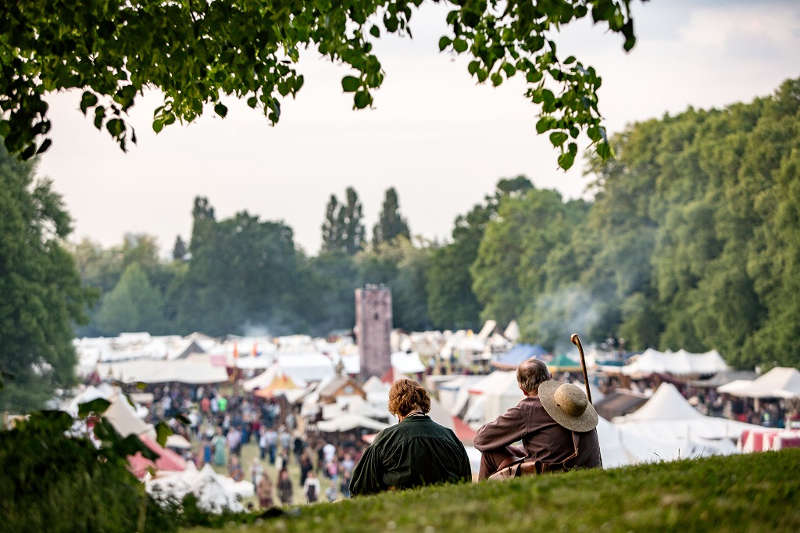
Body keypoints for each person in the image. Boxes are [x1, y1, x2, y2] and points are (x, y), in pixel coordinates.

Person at [474, 358, 602, 480]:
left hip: (552, 474)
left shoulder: (529, 407)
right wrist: (516, 449)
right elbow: (555, 442)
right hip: (587, 470)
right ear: (550, 378)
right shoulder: (572, 401)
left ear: (522, 389)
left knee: (489, 453)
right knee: (517, 450)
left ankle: (481, 498)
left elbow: (481, 439)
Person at [350, 378, 472, 496]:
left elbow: (360, 489)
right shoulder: (450, 437)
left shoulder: (385, 439)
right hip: (446, 510)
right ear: (424, 403)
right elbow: (466, 483)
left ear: (395, 408)